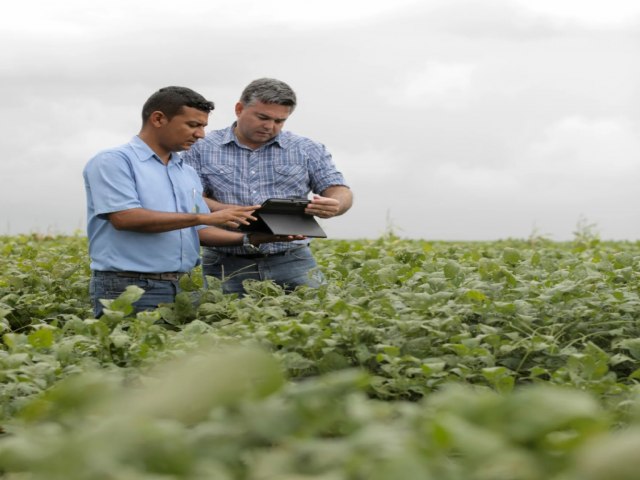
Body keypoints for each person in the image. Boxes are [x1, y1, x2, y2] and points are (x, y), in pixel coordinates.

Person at [83, 86, 298, 317]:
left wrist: (253, 238)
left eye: (203, 126)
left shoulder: (185, 171)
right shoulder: (113, 162)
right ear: (158, 119)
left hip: (180, 286)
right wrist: (205, 217)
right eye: (193, 125)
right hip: (126, 286)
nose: (201, 134)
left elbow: (200, 231)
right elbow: (125, 218)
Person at [182, 78, 353, 295]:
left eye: (279, 121)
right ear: (239, 109)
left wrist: (335, 204)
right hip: (225, 261)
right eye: (262, 117)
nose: (269, 126)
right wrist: (225, 210)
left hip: (293, 259)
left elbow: (338, 188)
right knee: (226, 322)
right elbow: (189, 196)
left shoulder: (307, 148)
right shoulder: (200, 148)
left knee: (315, 319)